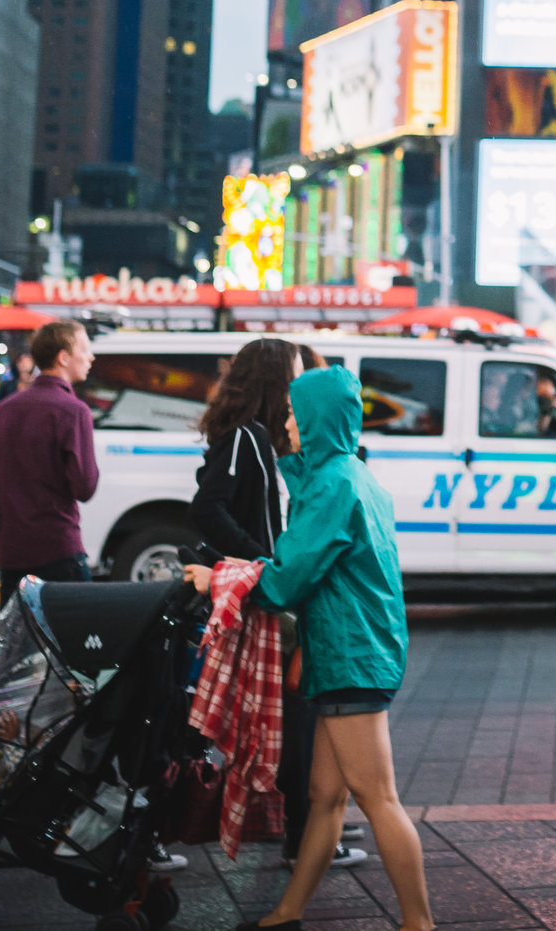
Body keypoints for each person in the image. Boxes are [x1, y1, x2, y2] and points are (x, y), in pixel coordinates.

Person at [191, 361, 431, 931]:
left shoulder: (331, 485)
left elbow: (285, 580)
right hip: (353, 651)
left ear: (321, 419)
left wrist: (218, 577)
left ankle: (419, 924)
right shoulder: (354, 475)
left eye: (297, 415)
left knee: (378, 799)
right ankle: (287, 911)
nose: (288, 424)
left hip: (351, 655)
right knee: (325, 797)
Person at [191, 339, 369, 872]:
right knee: (298, 715)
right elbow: (208, 508)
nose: (299, 383)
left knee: (294, 714)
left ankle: (311, 822)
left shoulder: (266, 440)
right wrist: (259, 561)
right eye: (294, 373)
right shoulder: (244, 437)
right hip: (264, 594)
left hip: (270, 590)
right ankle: (304, 830)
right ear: (274, 378)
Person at [0, 319, 101, 603]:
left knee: (16, 644)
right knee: (83, 641)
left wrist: (4, 537)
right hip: (59, 549)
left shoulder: (3, 411)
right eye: (85, 349)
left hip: (13, 554)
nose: (91, 357)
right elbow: (85, 487)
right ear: (63, 357)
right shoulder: (74, 411)